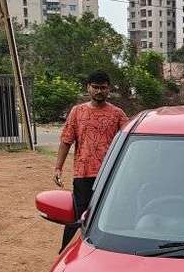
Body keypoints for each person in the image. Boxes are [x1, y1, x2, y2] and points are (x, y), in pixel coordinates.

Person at [54, 71, 129, 251]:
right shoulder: (77, 111)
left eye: (103, 88)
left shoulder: (117, 114)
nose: (99, 91)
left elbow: (129, 141)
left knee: (111, 215)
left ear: (109, 89)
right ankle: (65, 252)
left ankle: (109, 252)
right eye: (95, 87)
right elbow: (66, 140)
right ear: (88, 88)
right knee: (79, 216)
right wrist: (58, 168)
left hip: (111, 174)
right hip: (83, 173)